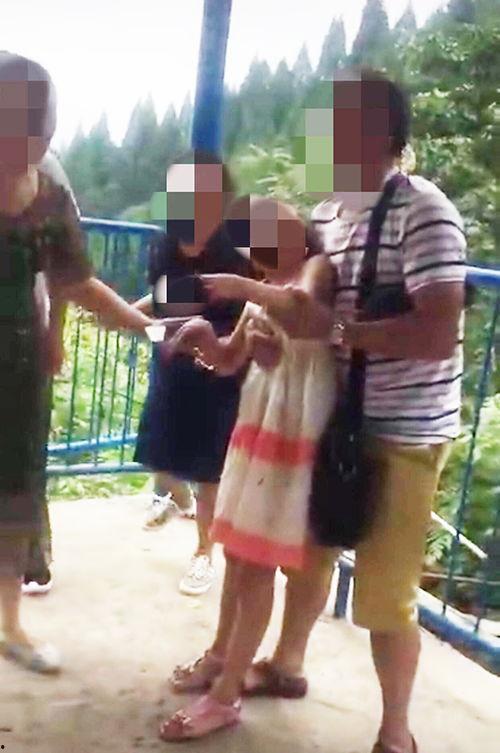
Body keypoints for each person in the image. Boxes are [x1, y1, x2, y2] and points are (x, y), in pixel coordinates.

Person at [179, 69, 464, 753]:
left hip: (402, 429)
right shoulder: (333, 214)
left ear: (378, 132)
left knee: (385, 595)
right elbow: (296, 309)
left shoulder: (423, 209)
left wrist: (334, 331)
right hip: (329, 421)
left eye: (336, 121)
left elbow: (437, 333)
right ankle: (286, 663)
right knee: (303, 560)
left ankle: (396, 732)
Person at [158, 196, 338, 741]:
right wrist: (199, 338)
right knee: (238, 554)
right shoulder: (264, 283)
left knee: (256, 562)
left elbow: (303, 310)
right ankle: (220, 655)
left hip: (295, 434)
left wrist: (242, 289)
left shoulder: (313, 269)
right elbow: (228, 359)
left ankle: (226, 693)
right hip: (258, 429)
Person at [0, 51, 155, 674]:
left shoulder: (49, 191)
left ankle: (9, 624)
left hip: (17, 362)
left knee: (14, 495)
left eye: (39, 134)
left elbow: (74, 281)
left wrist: (149, 327)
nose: (30, 149)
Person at [133, 150, 251, 596]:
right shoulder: (165, 244)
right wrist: (126, 314)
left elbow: (251, 305)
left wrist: (227, 350)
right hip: (173, 358)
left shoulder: (236, 248)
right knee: (159, 447)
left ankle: (204, 551)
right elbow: (167, 295)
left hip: (221, 365)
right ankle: (174, 498)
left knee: (208, 468)